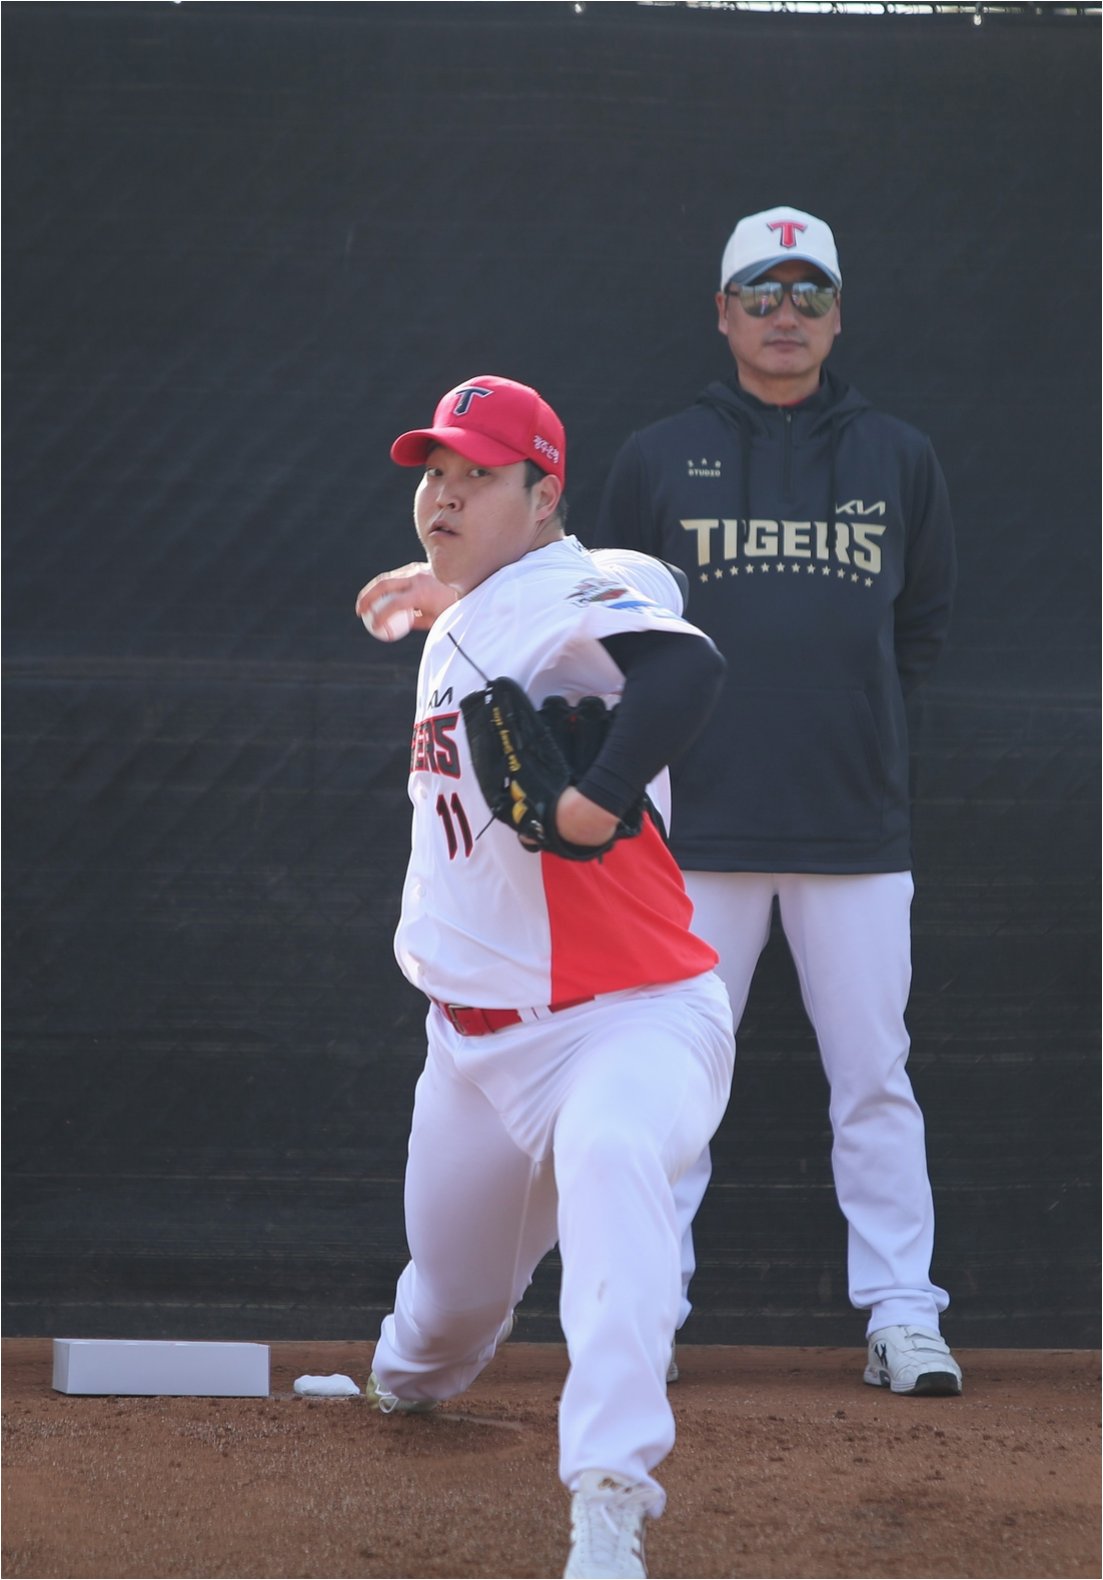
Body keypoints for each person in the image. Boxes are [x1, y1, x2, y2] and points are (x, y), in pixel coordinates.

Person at [354, 374, 736, 1578]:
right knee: (445, 1315)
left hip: (625, 1018)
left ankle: (609, 1496)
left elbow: (681, 672)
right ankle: (406, 1374)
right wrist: (451, 588)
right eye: (435, 473)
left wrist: (592, 797)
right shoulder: (500, 598)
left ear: (544, 491)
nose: (445, 492)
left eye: (478, 475)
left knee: (614, 1157)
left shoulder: (565, 593)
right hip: (471, 1047)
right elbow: (595, 585)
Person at [591, 206, 962, 1398]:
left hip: (854, 829)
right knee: (667, 1085)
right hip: (692, 830)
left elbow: (918, 632)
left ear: (837, 313)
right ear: (722, 312)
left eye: (808, 292)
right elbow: (613, 637)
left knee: (874, 1079)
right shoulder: (656, 457)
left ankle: (901, 1314)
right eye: (760, 291)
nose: (784, 314)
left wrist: (847, 727)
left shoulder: (897, 457)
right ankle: (644, 1314)